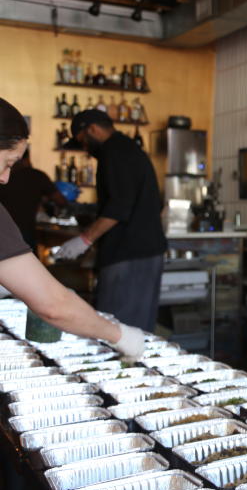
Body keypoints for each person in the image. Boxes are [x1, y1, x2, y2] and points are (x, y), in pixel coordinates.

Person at [0, 98, 143, 359]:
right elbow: (53, 305)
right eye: (9, 162)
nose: (5, 178)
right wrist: (121, 336)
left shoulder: (120, 154)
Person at [57, 109, 166, 332]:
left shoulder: (113, 152)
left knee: (117, 329)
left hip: (130, 256)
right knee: (137, 327)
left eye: (84, 142)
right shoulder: (127, 149)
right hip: (143, 252)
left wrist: (84, 240)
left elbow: (118, 207)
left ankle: (124, 368)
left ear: (93, 129)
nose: (86, 149)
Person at [0, 148, 67, 251]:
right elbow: (61, 201)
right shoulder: (36, 176)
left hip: (4, 232)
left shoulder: (4, 176)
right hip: (25, 231)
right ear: (26, 158)